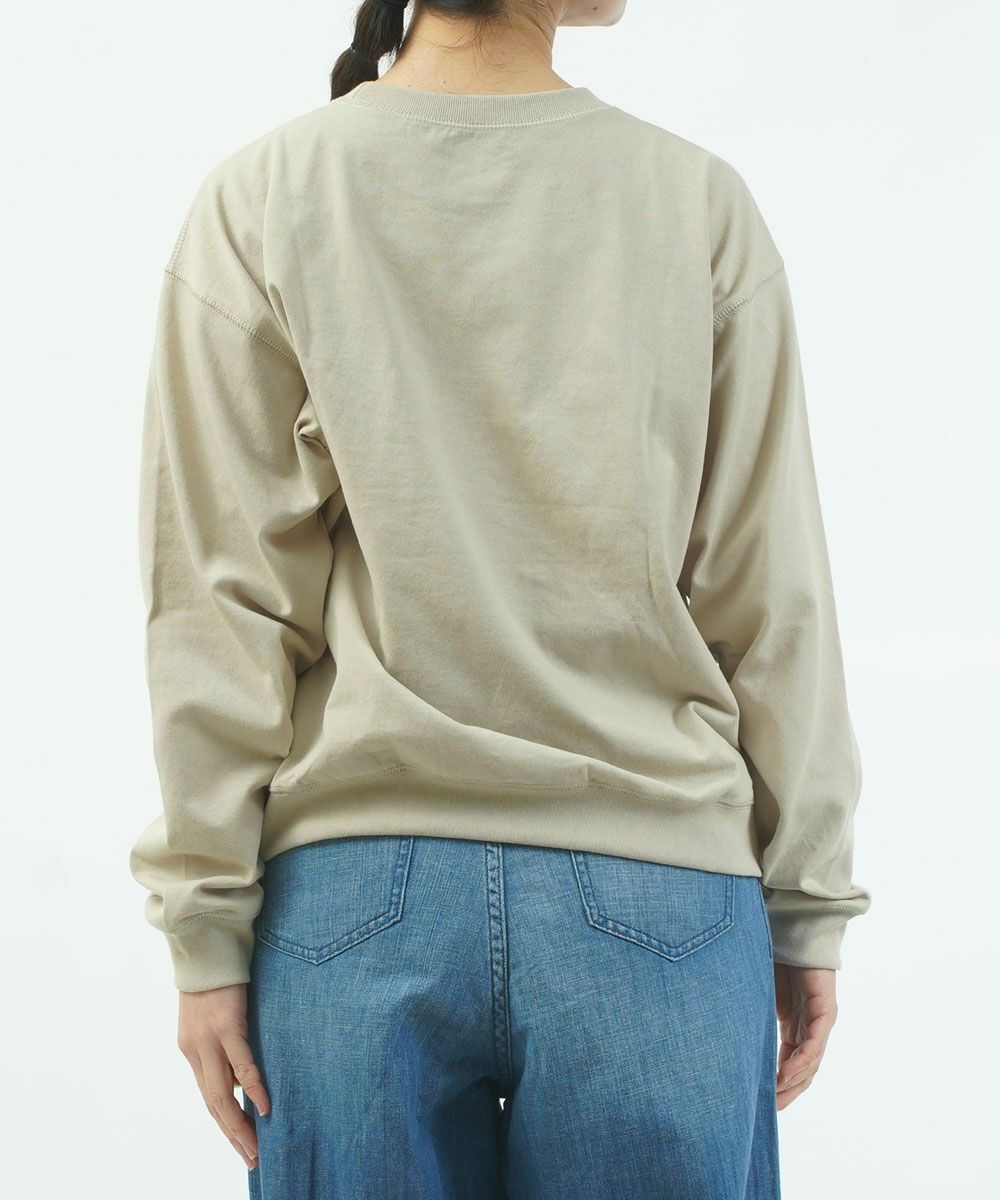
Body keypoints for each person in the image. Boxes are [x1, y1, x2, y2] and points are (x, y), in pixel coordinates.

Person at [129, 1, 872, 1196]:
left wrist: (205, 927)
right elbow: (766, 588)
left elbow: (218, 604)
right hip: (660, 890)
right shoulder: (692, 203)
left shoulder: (265, 194)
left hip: (354, 897)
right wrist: (806, 899)